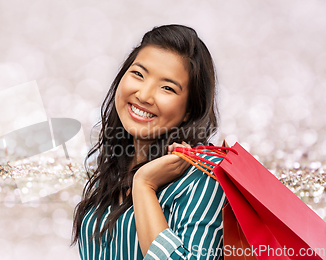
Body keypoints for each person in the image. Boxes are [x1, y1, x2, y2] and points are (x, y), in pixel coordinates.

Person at [71, 24, 225, 260]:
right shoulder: (115, 168)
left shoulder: (204, 177)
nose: (143, 95)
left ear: (190, 109)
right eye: (138, 74)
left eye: (167, 88)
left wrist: (144, 186)